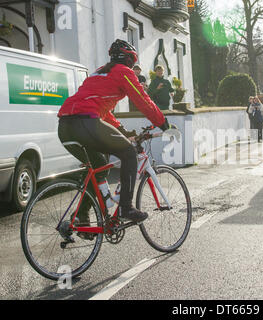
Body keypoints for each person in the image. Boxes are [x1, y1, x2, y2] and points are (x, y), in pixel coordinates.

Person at [57, 39, 175, 225]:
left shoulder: (99, 73)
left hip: (65, 127)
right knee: (128, 153)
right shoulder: (124, 72)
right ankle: (125, 208)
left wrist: (122, 130)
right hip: (85, 123)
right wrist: (164, 124)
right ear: (129, 59)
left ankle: (81, 216)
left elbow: (103, 112)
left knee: (98, 168)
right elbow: (143, 101)